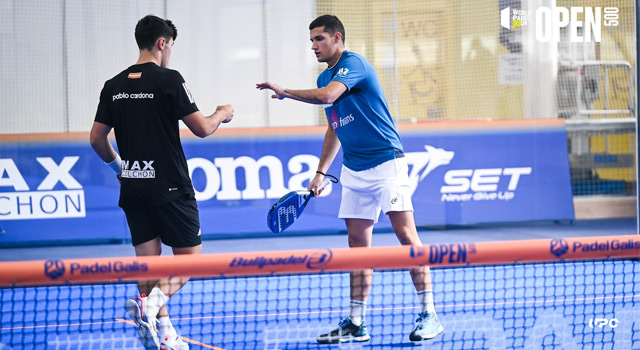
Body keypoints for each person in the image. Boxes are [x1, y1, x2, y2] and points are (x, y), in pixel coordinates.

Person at [256, 14, 443, 344]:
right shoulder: (326, 74)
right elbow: (335, 125)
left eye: (319, 39)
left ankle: (430, 314)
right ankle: (357, 323)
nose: (313, 45)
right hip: (354, 171)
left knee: (405, 235)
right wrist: (321, 172)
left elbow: (328, 97)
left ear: (337, 38)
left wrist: (284, 92)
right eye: (311, 40)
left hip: (387, 164)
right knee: (358, 246)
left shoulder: (352, 65)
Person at [90, 15, 234, 350]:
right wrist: (222, 113)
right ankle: (150, 307)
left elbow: (97, 139)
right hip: (170, 185)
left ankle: (166, 334)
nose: (170, 53)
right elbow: (202, 128)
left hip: (133, 187)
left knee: (149, 263)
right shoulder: (169, 79)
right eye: (171, 47)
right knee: (190, 260)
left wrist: (121, 169)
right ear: (162, 43)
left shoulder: (113, 85)